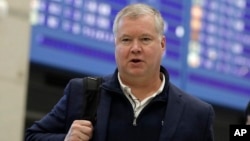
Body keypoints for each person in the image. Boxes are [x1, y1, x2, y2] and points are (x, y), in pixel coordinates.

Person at [25, 3, 215, 141]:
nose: (135, 48)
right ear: (115, 44)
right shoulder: (82, 93)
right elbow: (32, 136)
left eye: (145, 39)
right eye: (126, 40)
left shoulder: (196, 114)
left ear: (162, 44)